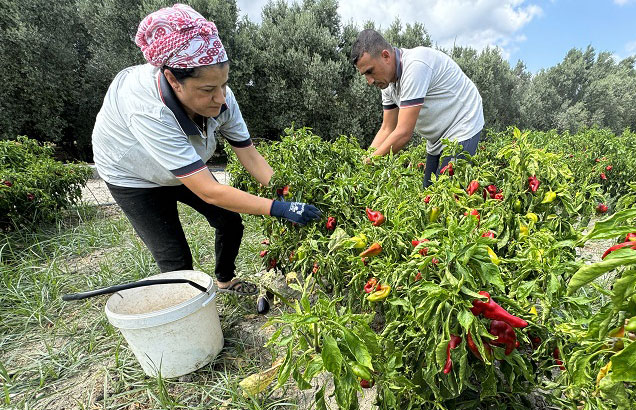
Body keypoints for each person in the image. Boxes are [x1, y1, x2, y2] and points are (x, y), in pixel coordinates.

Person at [91, 4, 321, 311]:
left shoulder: (222, 99)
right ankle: (193, 326)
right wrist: (278, 209)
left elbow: (250, 156)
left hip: (184, 169)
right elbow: (209, 191)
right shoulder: (147, 107)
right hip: (133, 175)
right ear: (174, 80)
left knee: (230, 220)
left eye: (224, 84)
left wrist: (286, 192)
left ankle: (225, 279)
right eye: (209, 89)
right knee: (176, 262)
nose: (220, 98)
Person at [350, 29, 485, 188]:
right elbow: (387, 128)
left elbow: (403, 133)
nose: (369, 81)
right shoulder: (386, 84)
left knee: (447, 196)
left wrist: (369, 163)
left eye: (370, 71)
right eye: (365, 75)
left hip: (463, 125)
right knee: (428, 193)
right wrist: (364, 159)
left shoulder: (415, 66)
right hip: (437, 139)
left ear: (386, 56)